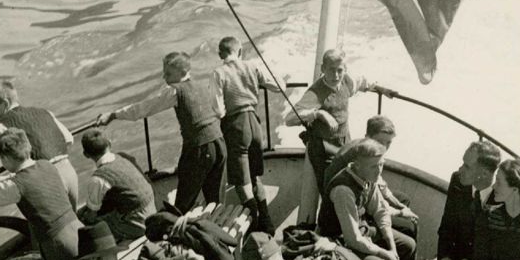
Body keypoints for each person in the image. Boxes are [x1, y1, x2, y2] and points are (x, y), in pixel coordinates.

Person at [96, 51, 226, 214]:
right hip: (219, 142)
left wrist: (114, 115)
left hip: (199, 147)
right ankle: (217, 224)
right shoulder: (201, 85)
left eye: (169, 74)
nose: (164, 77)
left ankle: (175, 225)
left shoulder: (174, 91)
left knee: (183, 202)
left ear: (183, 72)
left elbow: (145, 108)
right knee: (215, 199)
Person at [0, 128, 82, 260]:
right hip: (79, 229)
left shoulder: (16, 186)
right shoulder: (46, 165)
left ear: (6, 159)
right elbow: (29, 177)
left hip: (59, 243)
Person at [209, 37, 282, 234]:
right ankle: (267, 221)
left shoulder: (219, 73)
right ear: (240, 51)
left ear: (220, 54)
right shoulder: (252, 66)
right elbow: (280, 86)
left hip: (236, 126)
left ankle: (255, 224)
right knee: (255, 177)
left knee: (242, 183)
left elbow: (218, 110)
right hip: (255, 123)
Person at [285, 49, 377, 194]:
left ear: (345, 69)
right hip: (324, 148)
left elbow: (361, 83)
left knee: (353, 182)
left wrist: (380, 89)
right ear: (323, 69)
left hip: (345, 141)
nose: (336, 75)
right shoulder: (315, 93)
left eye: (339, 70)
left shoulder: (346, 81)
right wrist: (318, 114)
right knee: (331, 189)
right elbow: (289, 119)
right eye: (331, 70)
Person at [0, 79, 79, 210]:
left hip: (46, 181)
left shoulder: (1, 126)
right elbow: (68, 140)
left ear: (5, 103)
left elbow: (13, 165)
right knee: (71, 217)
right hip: (69, 172)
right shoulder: (44, 112)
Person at [323, 115, 420, 232]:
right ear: (367, 137)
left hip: (365, 195)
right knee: (409, 227)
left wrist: (399, 205)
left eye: (388, 142)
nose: (384, 147)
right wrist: (400, 213)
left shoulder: (368, 148)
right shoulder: (360, 157)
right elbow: (373, 199)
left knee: (403, 199)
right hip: (353, 205)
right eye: (380, 142)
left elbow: (379, 184)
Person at [78, 129, 156, 242]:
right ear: (109, 143)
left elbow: (91, 216)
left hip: (138, 223)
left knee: (88, 222)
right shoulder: (122, 157)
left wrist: (82, 217)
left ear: (86, 155)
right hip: (151, 209)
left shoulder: (98, 178)